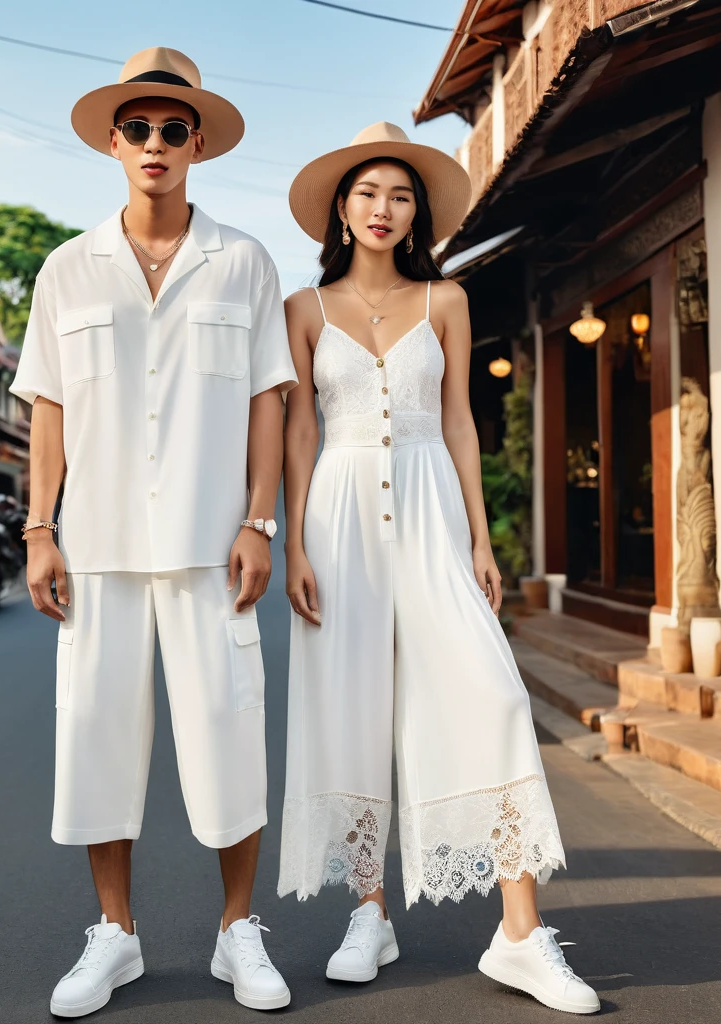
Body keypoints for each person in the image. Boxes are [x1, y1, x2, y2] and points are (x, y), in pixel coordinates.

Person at [278, 123, 600, 1015]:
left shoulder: (446, 301)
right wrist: (293, 540)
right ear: (341, 208)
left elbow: (461, 421)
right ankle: (368, 914)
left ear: (418, 212)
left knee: (490, 695)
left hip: (429, 504)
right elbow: (302, 430)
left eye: (402, 194)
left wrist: (481, 538)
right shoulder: (304, 311)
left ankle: (521, 937)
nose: (384, 209)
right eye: (368, 192)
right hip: (337, 511)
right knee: (349, 703)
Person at [9, 47, 297, 1019]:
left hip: (215, 546)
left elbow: (268, 400)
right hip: (94, 545)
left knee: (228, 733)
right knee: (94, 737)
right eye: (137, 128)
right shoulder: (65, 270)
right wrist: (38, 527)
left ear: (199, 141)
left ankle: (236, 930)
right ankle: (115, 933)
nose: (155, 144)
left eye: (174, 128)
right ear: (112, 141)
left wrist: (261, 519)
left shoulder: (244, 262)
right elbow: (45, 408)